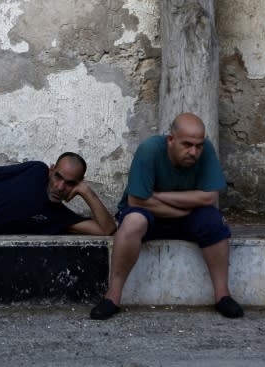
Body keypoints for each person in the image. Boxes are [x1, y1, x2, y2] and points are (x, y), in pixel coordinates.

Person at [90, 113, 244, 320]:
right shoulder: (150, 150)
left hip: (186, 216)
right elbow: (136, 201)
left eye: (198, 146)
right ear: (170, 140)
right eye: (187, 144)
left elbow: (209, 198)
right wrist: (182, 208)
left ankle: (223, 296)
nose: (194, 152)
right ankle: (112, 297)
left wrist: (158, 195)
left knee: (212, 221)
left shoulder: (205, 151)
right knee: (133, 221)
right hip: (150, 214)